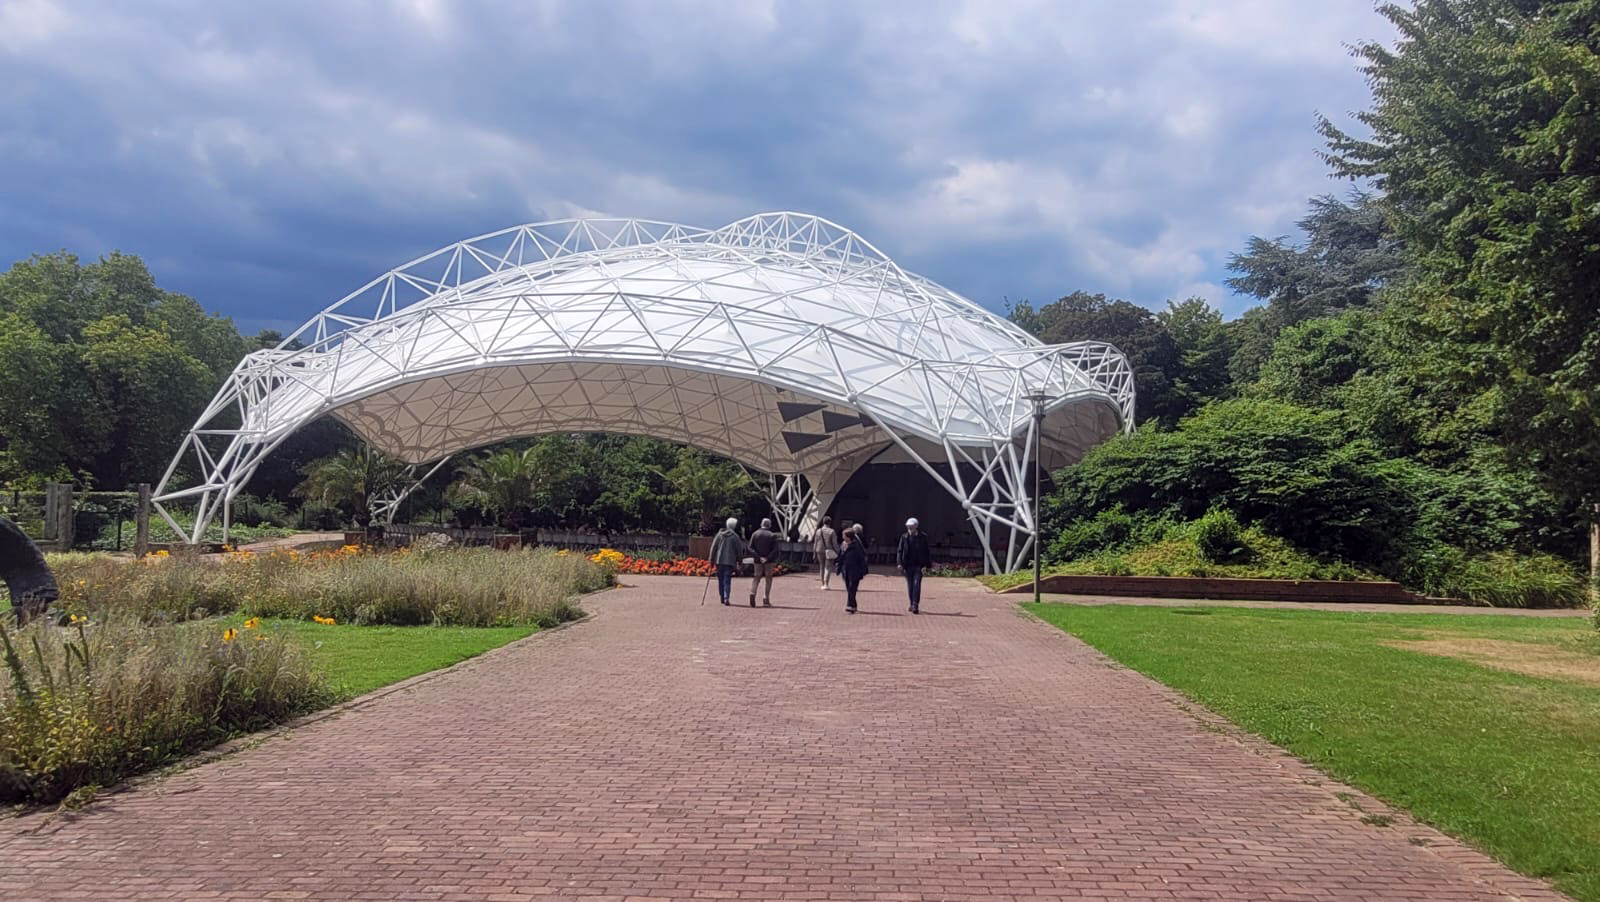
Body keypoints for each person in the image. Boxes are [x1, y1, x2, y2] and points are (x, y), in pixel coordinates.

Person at [896, 517, 932, 614]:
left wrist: (928, 565)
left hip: (918, 565)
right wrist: (899, 563)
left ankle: (915, 604)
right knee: (910, 585)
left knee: (916, 584)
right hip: (907, 565)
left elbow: (926, 551)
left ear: (916, 527)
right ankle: (911, 602)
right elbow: (900, 551)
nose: (910, 529)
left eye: (911, 527)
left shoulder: (923, 537)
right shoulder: (904, 537)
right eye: (908, 527)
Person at [708, 517, 745, 606]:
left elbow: (713, 547)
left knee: (720, 580)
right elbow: (739, 550)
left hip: (719, 560)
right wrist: (740, 561)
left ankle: (722, 597)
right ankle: (726, 597)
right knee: (727, 579)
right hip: (729, 561)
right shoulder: (735, 537)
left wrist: (711, 559)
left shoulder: (719, 535)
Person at [748, 517, 779, 607]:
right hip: (769, 561)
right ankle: (766, 598)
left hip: (757, 560)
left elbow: (750, 547)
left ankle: (753, 592)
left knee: (756, 577)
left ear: (761, 524)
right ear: (769, 525)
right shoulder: (772, 535)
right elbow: (775, 549)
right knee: (768, 579)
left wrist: (758, 556)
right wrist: (767, 558)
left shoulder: (755, 534)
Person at [838, 527, 868, 614]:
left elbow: (861, 558)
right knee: (848, 588)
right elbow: (840, 557)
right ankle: (853, 605)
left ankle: (850, 605)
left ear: (848, 537)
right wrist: (838, 566)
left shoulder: (856, 546)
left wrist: (862, 570)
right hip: (845, 569)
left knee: (852, 588)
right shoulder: (843, 545)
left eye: (844, 535)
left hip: (855, 570)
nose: (842, 537)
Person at [812, 516, 840, 589]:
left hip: (819, 550)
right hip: (829, 550)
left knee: (821, 567)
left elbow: (815, 543)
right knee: (828, 567)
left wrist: (814, 553)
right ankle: (826, 584)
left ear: (823, 522)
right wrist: (838, 551)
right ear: (830, 522)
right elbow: (835, 543)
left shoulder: (818, 531)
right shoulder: (832, 531)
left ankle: (822, 584)